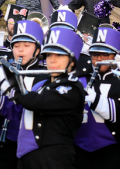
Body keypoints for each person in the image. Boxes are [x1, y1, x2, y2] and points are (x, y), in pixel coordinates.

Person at [9, 27, 85, 168]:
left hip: (54, 159)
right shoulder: (42, 85)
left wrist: (9, 86)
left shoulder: (73, 88)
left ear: (72, 61)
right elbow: (13, 110)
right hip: (27, 157)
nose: (52, 60)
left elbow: (36, 101)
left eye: (59, 55)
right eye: (49, 55)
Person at [0, 20, 46, 169]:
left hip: (33, 147)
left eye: (26, 46)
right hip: (1, 144)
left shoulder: (44, 77)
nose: (20, 51)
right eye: (16, 46)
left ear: (38, 50)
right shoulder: (1, 72)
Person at [74, 27, 120, 169]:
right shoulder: (81, 79)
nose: (98, 59)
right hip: (81, 149)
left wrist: (96, 100)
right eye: (95, 54)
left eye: (104, 55)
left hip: (114, 150)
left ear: (116, 56)